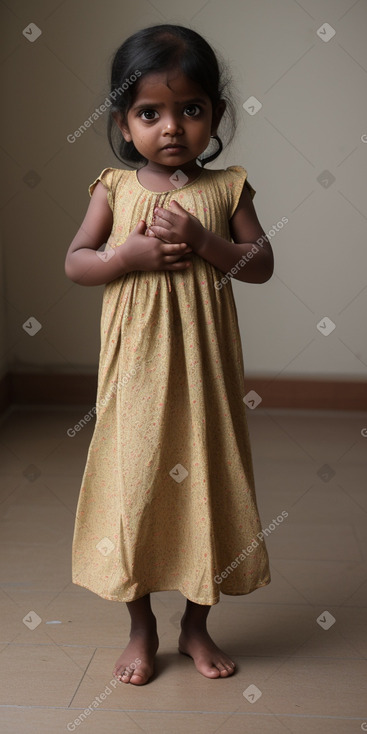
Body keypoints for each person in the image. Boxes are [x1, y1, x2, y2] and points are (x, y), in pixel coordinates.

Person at [65, 23, 274, 687]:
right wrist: (123, 256)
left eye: (190, 109)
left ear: (214, 114)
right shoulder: (114, 189)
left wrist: (205, 239)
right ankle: (140, 626)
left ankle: (195, 624)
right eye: (149, 112)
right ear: (124, 124)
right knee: (134, 489)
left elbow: (260, 264)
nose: (172, 127)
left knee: (205, 487)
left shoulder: (226, 188)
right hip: (134, 381)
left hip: (203, 381)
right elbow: (75, 263)